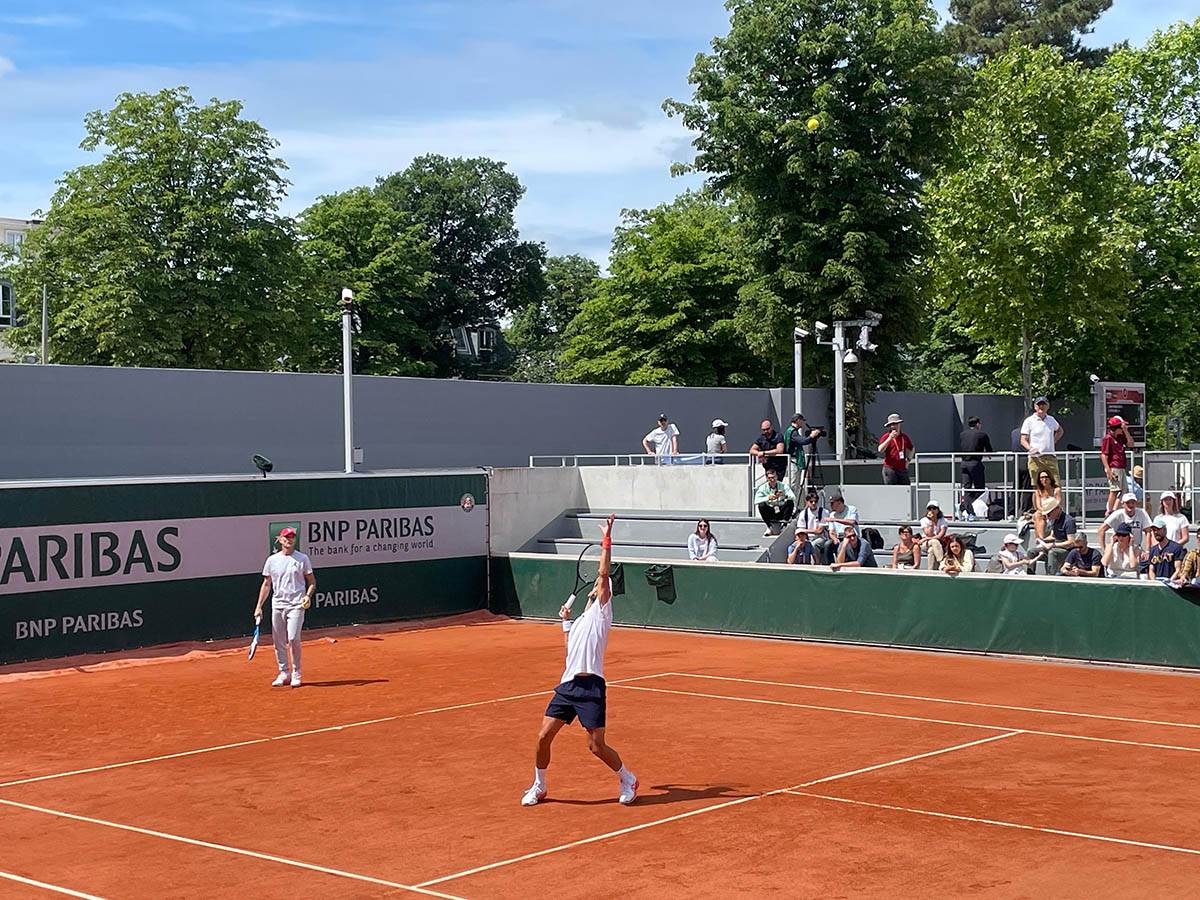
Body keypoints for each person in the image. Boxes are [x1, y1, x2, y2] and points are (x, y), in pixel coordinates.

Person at [522, 514, 638, 807]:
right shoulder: (581, 620)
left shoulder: (602, 613)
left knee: (595, 746)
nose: (600, 587)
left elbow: (602, 573)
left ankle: (628, 778)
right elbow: (570, 652)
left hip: (591, 689)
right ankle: (539, 785)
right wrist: (565, 622)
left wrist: (606, 540)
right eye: (600, 587)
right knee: (542, 737)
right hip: (568, 687)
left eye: (604, 587)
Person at [253, 526, 316, 688]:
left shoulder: (302, 559)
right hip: (278, 605)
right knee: (278, 641)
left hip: (296, 604)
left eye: (292, 537)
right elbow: (266, 584)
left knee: (293, 638)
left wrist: (307, 596)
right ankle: (284, 673)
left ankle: (296, 673)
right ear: (280, 540)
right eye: (286, 537)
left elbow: (312, 582)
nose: (289, 540)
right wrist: (259, 606)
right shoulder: (272, 560)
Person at [1020, 396, 1064, 487]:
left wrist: (1053, 441)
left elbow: (1060, 430)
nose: (1041, 407)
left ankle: (1057, 501)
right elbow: (1023, 439)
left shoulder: (1051, 419)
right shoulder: (1029, 421)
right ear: (1035, 407)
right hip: (1035, 458)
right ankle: (1038, 502)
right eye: (1039, 405)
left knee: (1056, 485)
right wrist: (1030, 448)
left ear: (1048, 406)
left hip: (1050, 456)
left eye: (1043, 404)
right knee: (1036, 487)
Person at [959, 416, 993, 519]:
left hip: (964, 463)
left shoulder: (962, 434)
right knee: (980, 488)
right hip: (975, 463)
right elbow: (989, 450)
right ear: (978, 424)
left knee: (967, 489)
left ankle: (969, 512)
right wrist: (988, 454)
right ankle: (965, 507)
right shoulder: (982, 435)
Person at [1100, 416, 1134, 515]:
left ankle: (1114, 510)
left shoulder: (1120, 437)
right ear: (1116, 427)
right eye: (1121, 427)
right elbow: (1104, 455)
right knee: (1114, 490)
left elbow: (1131, 444)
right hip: (1114, 467)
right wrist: (1108, 470)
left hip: (1121, 467)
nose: (1123, 429)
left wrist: (1126, 432)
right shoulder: (1108, 438)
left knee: (1125, 491)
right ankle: (1109, 511)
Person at [1034, 497, 1077, 575]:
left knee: (1052, 553)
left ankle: (1051, 576)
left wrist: (1053, 545)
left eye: (1049, 514)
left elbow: (1071, 542)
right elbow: (1053, 536)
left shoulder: (1068, 521)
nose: (1047, 516)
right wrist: (1043, 540)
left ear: (1056, 509)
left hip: (1066, 550)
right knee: (1031, 551)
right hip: (1055, 545)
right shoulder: (1053, 520)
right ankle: (1030, 574)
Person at [782, 413, 821, 498]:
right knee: (793, 484)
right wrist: (812, 436)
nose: (803, 423)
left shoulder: (792, 431)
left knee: (796, 485)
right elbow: (803, 441)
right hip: (793, 461)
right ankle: (791, 505)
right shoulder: (792, 431)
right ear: (798, 420)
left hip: (794, 460)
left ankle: (794, 505)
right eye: (802, 421)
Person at [1142, 517, 1185, 583]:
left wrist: (1170, 582)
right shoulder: (1153, 550)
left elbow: (1178, 570)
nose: (1156, 532)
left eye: (1158, 529)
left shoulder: (1176, 547)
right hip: (1157, 584)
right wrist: (1155, 583)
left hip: (1171, 584)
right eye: (1154, 530)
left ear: (1165, 530)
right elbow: (1151, 570)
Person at [821, 491, 860, 564]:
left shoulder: (851, 509)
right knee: (827, 544)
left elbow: (851, 522)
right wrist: (834, 538)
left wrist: (835, 520)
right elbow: (831, 531)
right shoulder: (832, 514)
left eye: (832, 503)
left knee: (844, 545)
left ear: (839, 502)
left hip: (850, 536)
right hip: (838, 537)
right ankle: (829, 565)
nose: (831, 506)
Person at [754, 469, 796, 536]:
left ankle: (784, 525)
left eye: (773, 477)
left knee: (790, 502)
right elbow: (756, 500)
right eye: (770, 478)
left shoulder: (783, 486)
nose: (772, 480)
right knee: (761, 505)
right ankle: (769, 527)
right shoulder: (763, 487)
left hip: (781, 509)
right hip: (771, 510)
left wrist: (784, 495)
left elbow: (793, 497)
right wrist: (768, 498)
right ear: (767, 478)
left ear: (776, 477)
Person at [877, 413, 914, 485]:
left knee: (905, 490)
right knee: (892, 492)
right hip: (890, 469)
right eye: (891, 425)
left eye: (896, 424)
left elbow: (911, 448)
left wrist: (908, 461)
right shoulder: (886, 436)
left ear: (899, 424)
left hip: (902, 469)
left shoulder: (904, 437)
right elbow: (880, 450)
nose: (893, 426)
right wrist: (889, 439)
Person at [1031, 470, 1063, 542]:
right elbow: (1038, 505)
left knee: (1054, 512)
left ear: (1050, 478)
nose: (1044, 479)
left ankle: (1041, 539)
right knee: (1038, 514)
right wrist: (1044, 512)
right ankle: (1041, 539)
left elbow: (1058, 503)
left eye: (1046, 477)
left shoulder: (1056, 490)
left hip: (1054, 509)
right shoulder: (1038, 491)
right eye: (1042, 477)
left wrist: (1050, 511)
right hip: (1043, 511)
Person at [917, 500, 949, 570]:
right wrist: (931, 522)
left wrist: (926, 538)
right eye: (929, 509)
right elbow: (928, 534)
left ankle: (930, 571)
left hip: (936, 542)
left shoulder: (943, 520)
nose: (932, 510)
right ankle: (942, 563)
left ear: (938, 510)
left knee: (931, 550)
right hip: (926, 544)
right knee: (934, 541)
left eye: (934, 508)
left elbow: (940, 536)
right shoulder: (924, 520)